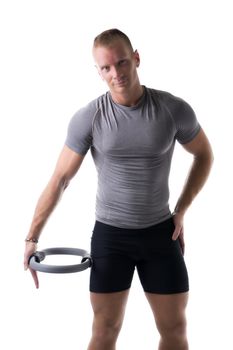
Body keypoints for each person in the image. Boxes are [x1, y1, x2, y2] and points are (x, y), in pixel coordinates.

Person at [24, 28, 214, 350]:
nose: (116, 73)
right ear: (98, 71)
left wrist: (181, 209)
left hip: (160, 234)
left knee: (175, 329)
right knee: (104, 331)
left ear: (136, 58)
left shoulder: (172, 109)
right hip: (111, 238)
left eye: (122, 63)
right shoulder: (90, 117)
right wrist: (32, 237)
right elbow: (60, 179)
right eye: (106, 68)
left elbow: (204, 155)